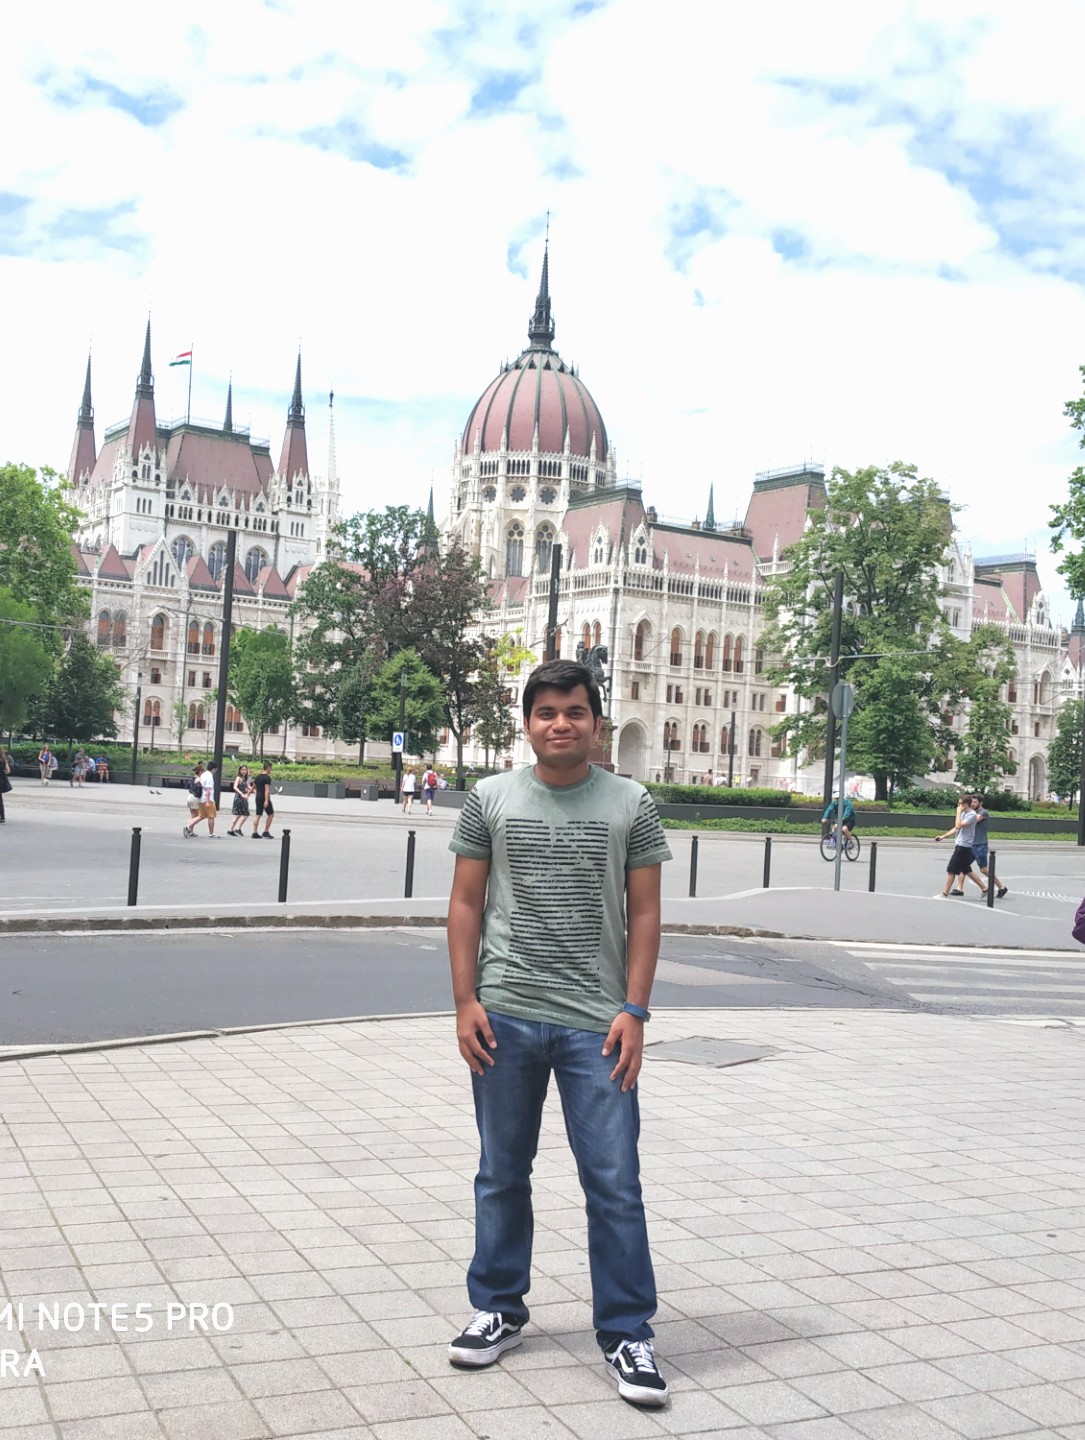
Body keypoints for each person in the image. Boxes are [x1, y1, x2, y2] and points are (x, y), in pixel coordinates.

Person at [446, 659, 673, 1407]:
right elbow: (465, 903)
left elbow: (646, 912)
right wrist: (464, 1001)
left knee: (614, 1183)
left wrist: (635, 1010)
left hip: (597, 1025)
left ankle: (627, 1332)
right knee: (500, 1173)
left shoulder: (631, 802)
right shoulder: (489, 798)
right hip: (504, 1013)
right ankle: (498, 1309)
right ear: (527, 724)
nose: (560, 724)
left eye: (574, 711)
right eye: (546, 712)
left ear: (596, 723)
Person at [952, 794, 1008, 899]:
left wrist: (961, 814)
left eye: (975, 802)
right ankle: (960, 889)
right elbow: (959, 826)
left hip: (980, 845)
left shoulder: (983, 812)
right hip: (970, 844)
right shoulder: (969, 813)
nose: (972, 804)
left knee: (984, 870)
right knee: (963, 865)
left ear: (980, 803)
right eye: (971, 802)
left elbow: (972, 820)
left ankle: (1001, 887)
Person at [935, 798, 986, 896]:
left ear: (966, 804)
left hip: (963, 846)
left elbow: (959, 825)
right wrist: (943, 836)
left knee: (951, 869)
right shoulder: (964, 813)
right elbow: (956, 828)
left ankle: (945, 893)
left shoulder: (972, 815)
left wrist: (958, 813)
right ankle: (984, 888)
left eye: (960, 804)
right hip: (960, 844)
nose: (958, 806)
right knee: (966, 869)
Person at [195, 761, 220, 838]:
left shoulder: (203, 774)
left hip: (201, 798)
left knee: (200, 816)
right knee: (211, 816)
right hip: (207, 799)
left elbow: (197, 781)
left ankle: (188, 826)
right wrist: (208, 801)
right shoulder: (209, 776)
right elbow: (208, 790)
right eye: (216, 769)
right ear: (214, 769)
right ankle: (211, 833)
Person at [227, 765, 253, 836]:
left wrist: (253, 790)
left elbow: (248, 786)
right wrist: (242, 794)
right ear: (240, 770)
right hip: (239, 797)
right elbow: (235, 787)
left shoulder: (245, 778)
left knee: (245, 814)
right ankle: (231, 829)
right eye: (242, 770)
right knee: (238, 815)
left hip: (244, 798)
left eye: (245, 770)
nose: (244, 771)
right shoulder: (238, 778)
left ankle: (236, 828)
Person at [252, 761, 275, 838]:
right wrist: (266, 800)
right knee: (271, 814)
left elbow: (253, 787)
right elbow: (267, 790)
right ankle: (266, 831)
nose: (271, 770)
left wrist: (248, 794)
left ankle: (255, 832)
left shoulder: (258, 777)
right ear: (268, 768)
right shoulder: (267, 778)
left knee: (258, 815)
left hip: (258, 797)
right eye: (271, 768)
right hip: (264, 798)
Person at [183, 762, 205, 836]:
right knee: (199, 815)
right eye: (203, 772)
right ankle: (188, 827)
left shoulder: (193, 778)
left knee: (193, 815)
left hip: (190, 796)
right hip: (195, 798)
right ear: (200, 772)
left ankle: (190, 831)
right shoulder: (199, 779)